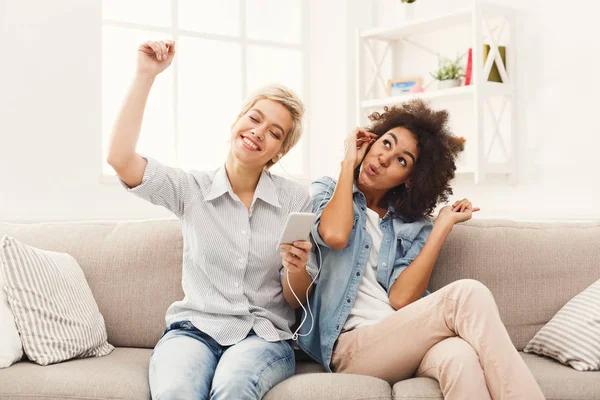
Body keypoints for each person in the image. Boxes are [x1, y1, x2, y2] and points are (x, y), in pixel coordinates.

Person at [107, 39, 317, 400]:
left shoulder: (295, 198)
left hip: (263, 334)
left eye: (274, 132)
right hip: (194, 330)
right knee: (176, 391)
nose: (258, 132)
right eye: (255, 118)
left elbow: (295, 300)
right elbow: (120, 158)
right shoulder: (190, 189)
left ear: (279, 150)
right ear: (238, 120)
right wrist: (146, 75)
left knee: (234, 386)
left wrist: (296, 268)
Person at [298, 100, 545, 399]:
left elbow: (402, 299)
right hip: (352, 347)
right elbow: (335, 235)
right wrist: (347, 165)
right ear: (370, 141)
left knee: (461, 358)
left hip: (403, 338)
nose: (385, 158)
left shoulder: (410, 225)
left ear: (410, 179)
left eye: (402, 160)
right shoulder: (327, 189)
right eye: (386, 143)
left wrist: (440, 227)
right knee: (467, 294)